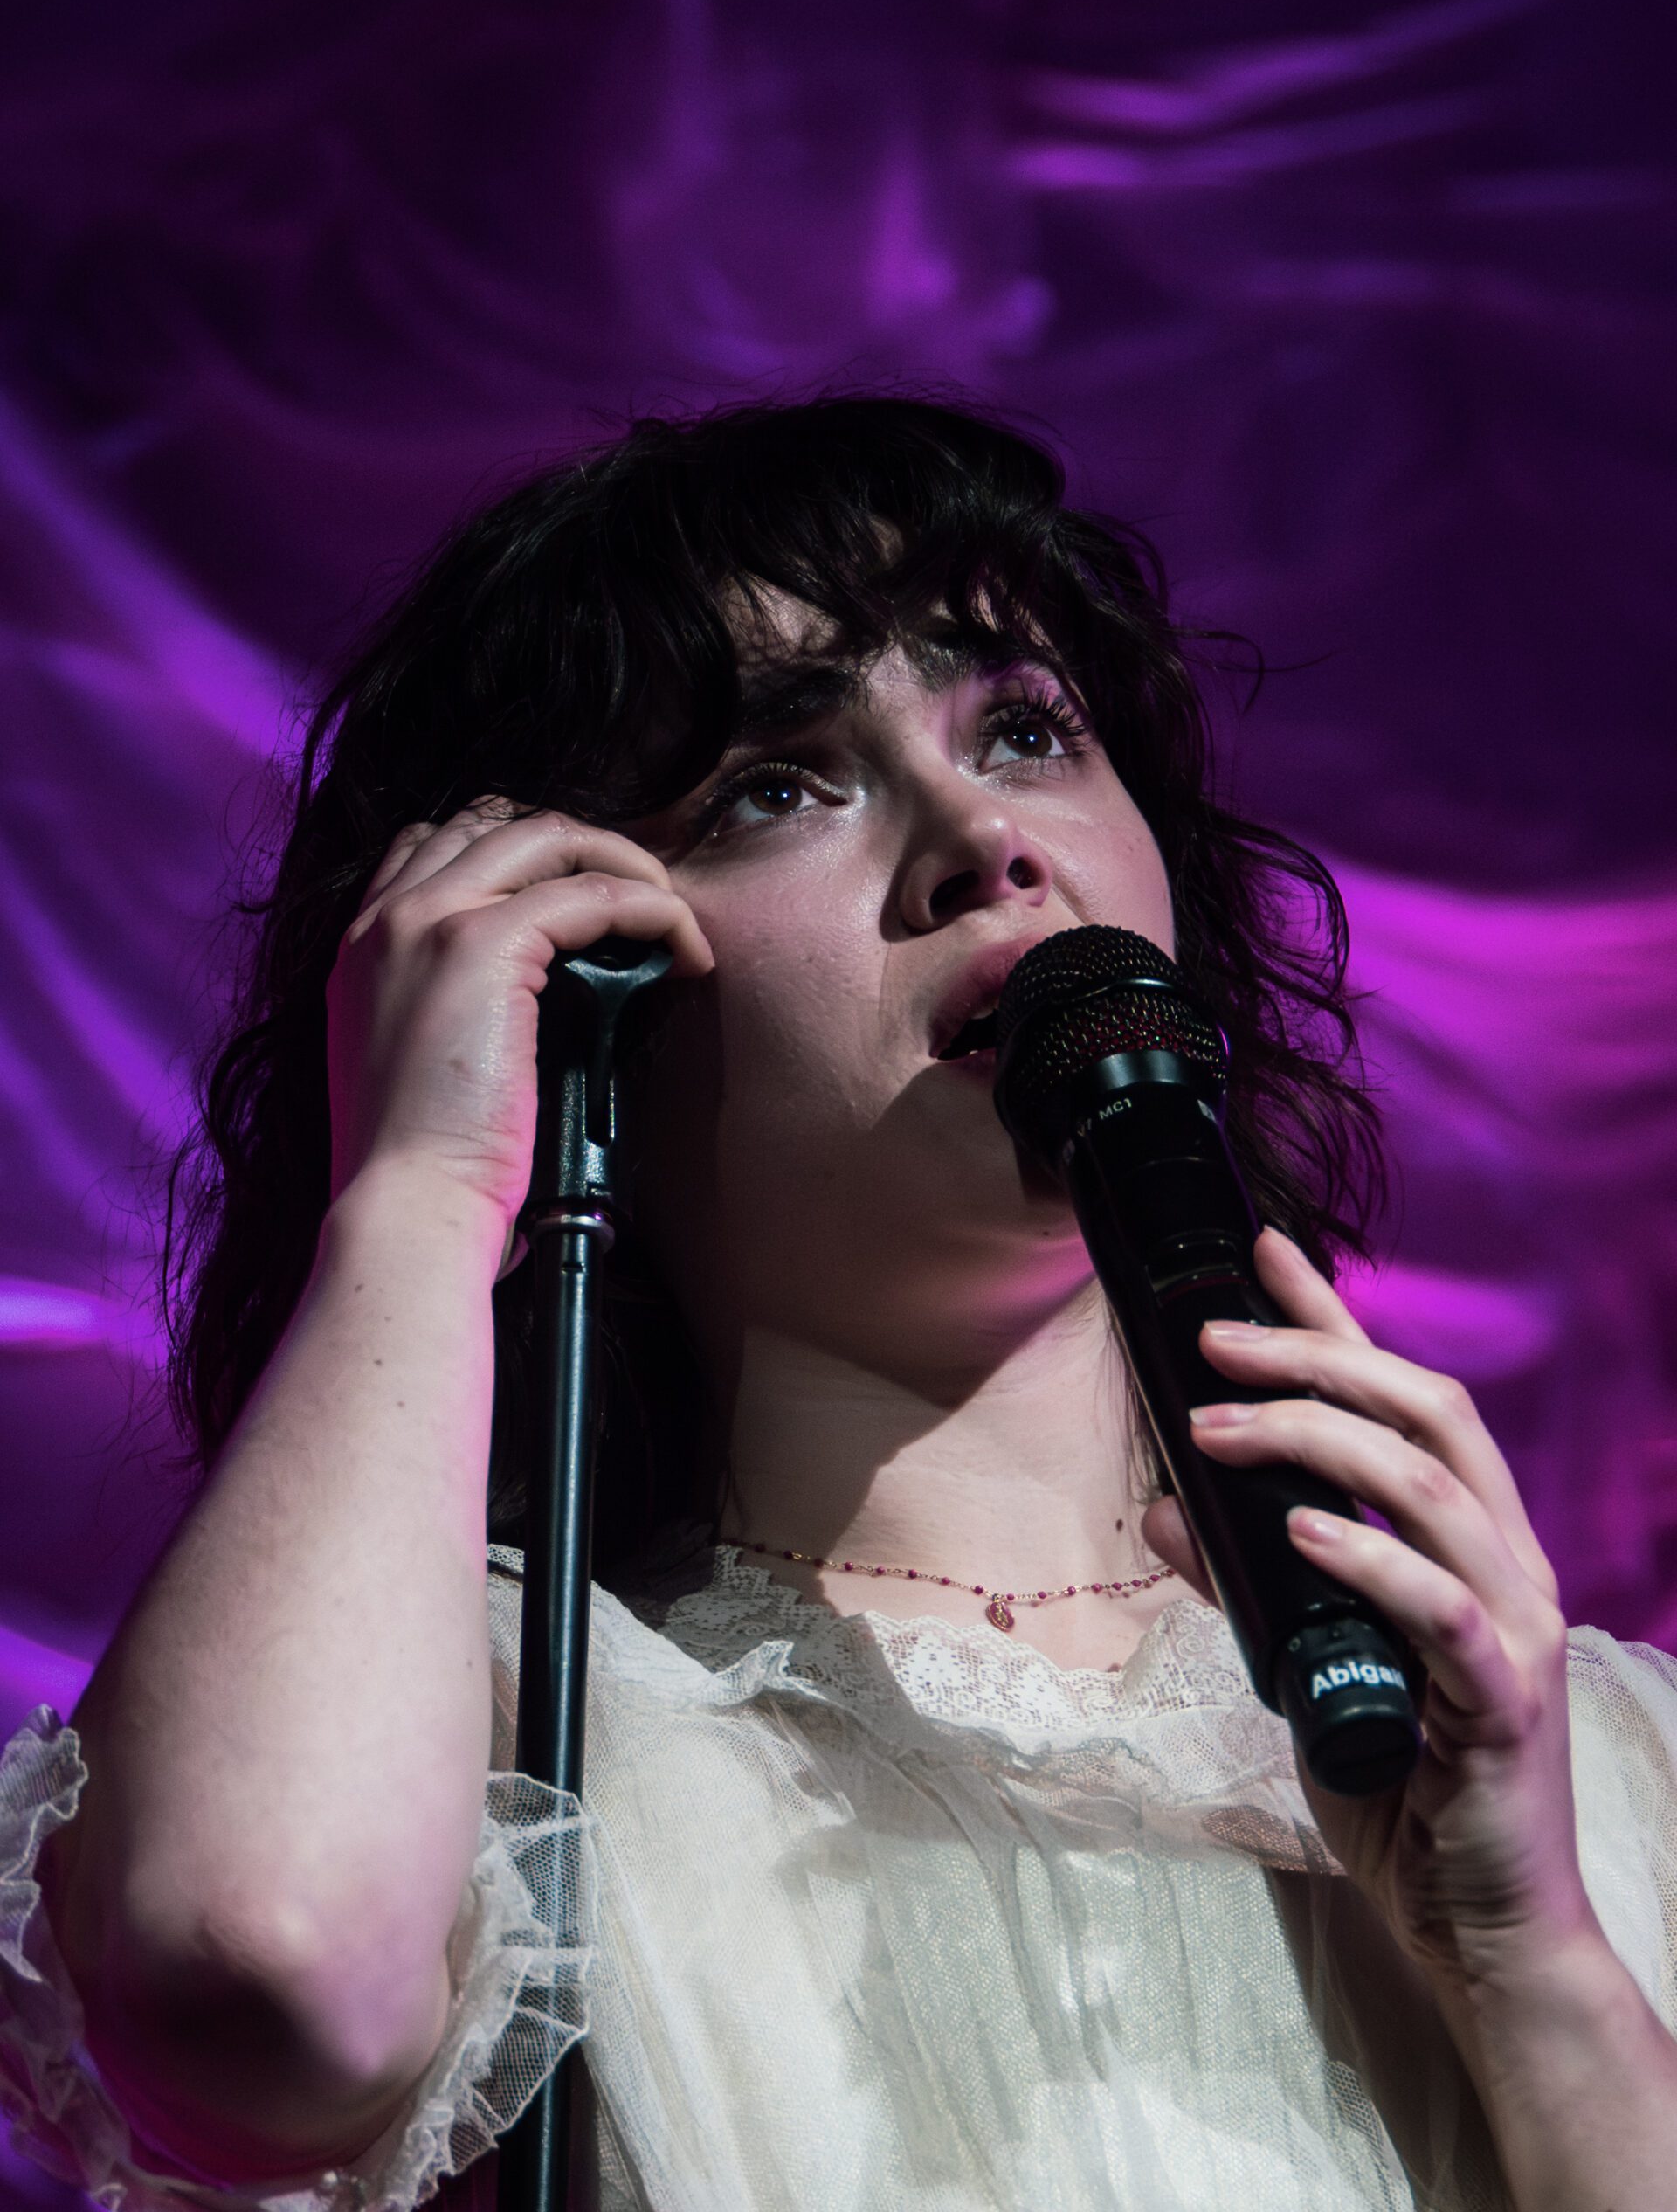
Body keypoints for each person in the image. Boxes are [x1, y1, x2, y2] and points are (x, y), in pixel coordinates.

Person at [2, 396, 1675, 2212]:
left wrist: (1530, 1960)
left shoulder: (1603, 1764)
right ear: (581, 981)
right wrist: (419, 1185)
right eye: (779, 784)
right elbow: (255, 1966)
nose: (982, 835)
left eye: (1025, 730)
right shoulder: (502, 1739)